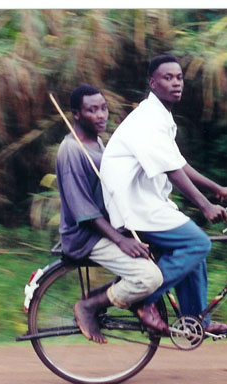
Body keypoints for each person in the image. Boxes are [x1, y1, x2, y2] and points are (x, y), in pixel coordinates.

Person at [100, 55, 227, 334]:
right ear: (153, 83)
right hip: (132, 206)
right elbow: (171, 170)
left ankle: (198, 322)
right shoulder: (147, 120)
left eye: (179, 77)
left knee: (193, 252)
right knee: (198, 244)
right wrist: (204, 205)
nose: (176, 83)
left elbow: (178, 163)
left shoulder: (160, 116)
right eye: (167, 78)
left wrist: (216, 189)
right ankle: (144, 300)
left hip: (146, 202)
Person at [56, 84, 167, 344]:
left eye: (103, 108)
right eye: (92, 110)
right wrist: (121, 240)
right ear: (76, 114)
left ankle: (138, 303)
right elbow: (84, 210)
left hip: (108, 228)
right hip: (86, 236)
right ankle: (89, 306)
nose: (101, 115)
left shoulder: (97, 142)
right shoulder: (71, 150)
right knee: (149, 277)